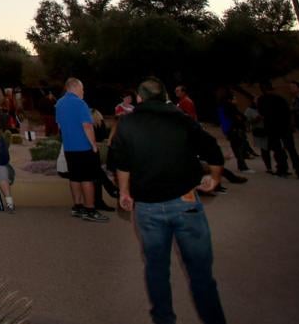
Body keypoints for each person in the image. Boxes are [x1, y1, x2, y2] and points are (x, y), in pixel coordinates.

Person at [111, 77, 227, 324]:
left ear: (139, 98)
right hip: (186, 203)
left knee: (156, 268)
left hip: (148, 207)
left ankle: (164, 319)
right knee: (200, 273)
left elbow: (121, 163)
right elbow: (212, 148)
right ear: (164, 95)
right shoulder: (181, 119)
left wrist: (124, 192)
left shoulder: (127, 124)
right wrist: (214, 178)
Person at [55, 78, 108, 222]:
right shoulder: (80, 103)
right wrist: (94, 145)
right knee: (87, 179)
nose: (83, 91)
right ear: (75, 87)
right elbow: (87, 126)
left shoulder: (59, 104)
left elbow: (59, 126)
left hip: (69, 147)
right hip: (83, 147)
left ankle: (77, 206)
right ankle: (90, 209)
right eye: (82, 88)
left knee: (74, 177)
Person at [258, 81, 299, 178]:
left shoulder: (262, 100)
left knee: (278, 150)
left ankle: (282, 168)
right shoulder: (280, 98)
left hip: (272, 128)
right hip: (284, 127)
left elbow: (262, 113)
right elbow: (287, 112)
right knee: (291, 149)